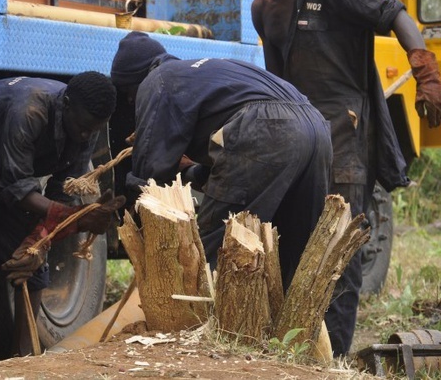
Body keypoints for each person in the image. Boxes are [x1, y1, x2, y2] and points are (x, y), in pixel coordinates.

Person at [232, 0, 441, 356]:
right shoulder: (262, 9)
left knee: (339, 248)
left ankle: (337, 358)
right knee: (295, 243)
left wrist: (426, 72)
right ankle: (303, 348)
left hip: (348, 135)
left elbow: (394, 11)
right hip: (304, 137)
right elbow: (278, 85)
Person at [110, 31, 332, 290]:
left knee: (217, 253)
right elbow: (238, 167)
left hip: (267, 130)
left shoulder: (158, 80)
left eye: (128, 93)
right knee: (297, 256)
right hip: (315, 125)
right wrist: (191, 171)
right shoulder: (205, 72)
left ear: (137, 79)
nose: (130, 100)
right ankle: (295, 329)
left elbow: (151, 177)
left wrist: (140, 229)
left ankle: (205, 328)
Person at [0, 71, 124, 362]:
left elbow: (65, 186)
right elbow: (14, 185)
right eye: (83, 127)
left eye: (94, 129)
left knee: (33, 255)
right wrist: (73, 218)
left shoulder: (88, 122)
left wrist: (42, 237)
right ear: (67, 105)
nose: (87, 135)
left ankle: (23, 352)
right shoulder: (28, 111)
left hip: (15, 169)